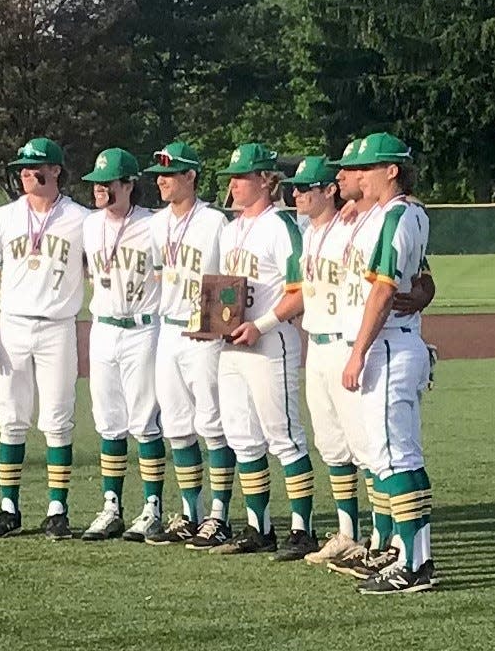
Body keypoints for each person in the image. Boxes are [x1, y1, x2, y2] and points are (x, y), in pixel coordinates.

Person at [325, 137, 437, 584]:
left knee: (395, 459)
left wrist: (357, 354)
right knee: (398, 456)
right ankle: (411, 555)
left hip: (387, 347)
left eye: (363, 168)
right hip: (396, 343)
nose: (352, 176)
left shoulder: (395, 215)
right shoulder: (399, 213)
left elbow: (384, 289)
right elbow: (421, 280)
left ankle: (412, 565)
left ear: (391, 171)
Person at [0, 137, 89, 541]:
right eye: (21, 166)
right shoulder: (3, 217)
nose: (25, 172)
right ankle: (9, 507)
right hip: (14, 325)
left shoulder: (80, 219)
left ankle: (58, 508)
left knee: (57, 418)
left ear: (55, 170)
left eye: (33, 166)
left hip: (58, 325)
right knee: (11, 418)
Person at [211, 142, 318, 562]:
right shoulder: (230, 229)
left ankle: (302, 529)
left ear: (265, 180)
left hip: (271, 342)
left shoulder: (281, 226)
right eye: (232, 177)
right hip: (232, 346)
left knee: (285, 437)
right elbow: (221, 290)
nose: (234, 184)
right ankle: (259, 527)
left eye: (241, 177)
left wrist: (263, 325)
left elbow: (301, 290)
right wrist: (211, 324)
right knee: (242, 438)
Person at [143, 141, 237, 548]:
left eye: (169, 174)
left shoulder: (215, 221)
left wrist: (216, 325)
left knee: (212, 425)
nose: (161, 181)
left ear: (190, 177)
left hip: (204, 331)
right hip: (168, 330)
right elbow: (157, 274)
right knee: (178, 426)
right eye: (159, 175)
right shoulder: (156, 223)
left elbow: (231, 278)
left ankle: (219, 515)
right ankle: (190, 512)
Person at [280, 155, 371, 565]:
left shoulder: (349, 226)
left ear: (329, 191)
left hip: (343, 343)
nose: (296, 194)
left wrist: (358, 205)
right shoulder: (309, 232)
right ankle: (348, 533)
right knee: (331, 444)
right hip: (315, 345)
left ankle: (381, 537)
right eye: (295, 188)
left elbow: (404, 207)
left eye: (305, 188)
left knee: (363, 444)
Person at [80, 148, 166, 543]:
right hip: (103, 328)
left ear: (129, 184)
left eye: (108, 183)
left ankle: (152, 507)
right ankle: (112, 505)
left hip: (142, 329)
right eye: (96, 182)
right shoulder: (88, 224)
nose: (99, 188)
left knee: (144, 421)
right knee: (108, 420)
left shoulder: (153, 225)